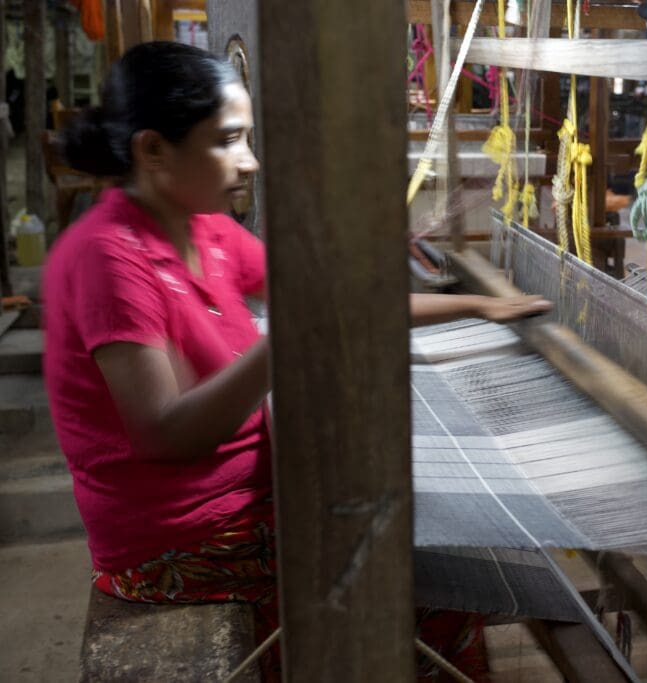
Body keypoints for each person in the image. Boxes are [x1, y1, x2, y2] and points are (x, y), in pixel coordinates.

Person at [45, 41, 550, 681]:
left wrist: (479, 306)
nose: (250, 161)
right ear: (153, 151)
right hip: (182, 541)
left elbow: (331, 298)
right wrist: (285, 342)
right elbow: (163, 433)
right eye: (228, 141)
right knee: (428, 592)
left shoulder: (204, 228)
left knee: (432, 547)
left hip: (254, 500)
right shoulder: (110, 257)